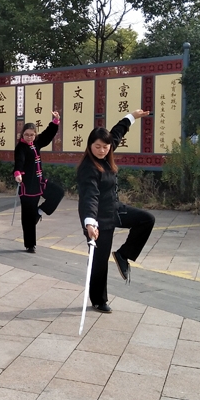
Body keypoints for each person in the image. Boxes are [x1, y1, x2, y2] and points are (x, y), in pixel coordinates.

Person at [77, 109, 156, 313]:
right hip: (97, 217)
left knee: (146, 219)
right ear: (90, 146)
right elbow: (90, 196)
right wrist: (90, 223)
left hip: (114, 208)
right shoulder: (88, 168)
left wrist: (132, 116)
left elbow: (117, 132)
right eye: (97, 147)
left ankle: (123, 254)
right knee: (99, 260)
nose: (102, 150)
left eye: (105, 146)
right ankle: (98, 300)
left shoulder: (108, 148)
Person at [13, 114, 65, 253]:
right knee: (27, 217)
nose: (29, 137)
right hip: (28, 186)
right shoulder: (20, 148)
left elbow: (48, 134)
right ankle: (30, 245)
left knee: (58, 192)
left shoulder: (37, 143)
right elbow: (19, 161)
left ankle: (40, 211)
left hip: (40, 182)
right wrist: (18, 173)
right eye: (26, 134)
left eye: (32, 134)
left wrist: (55, 122)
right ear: (22, 134)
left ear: (35, 135)